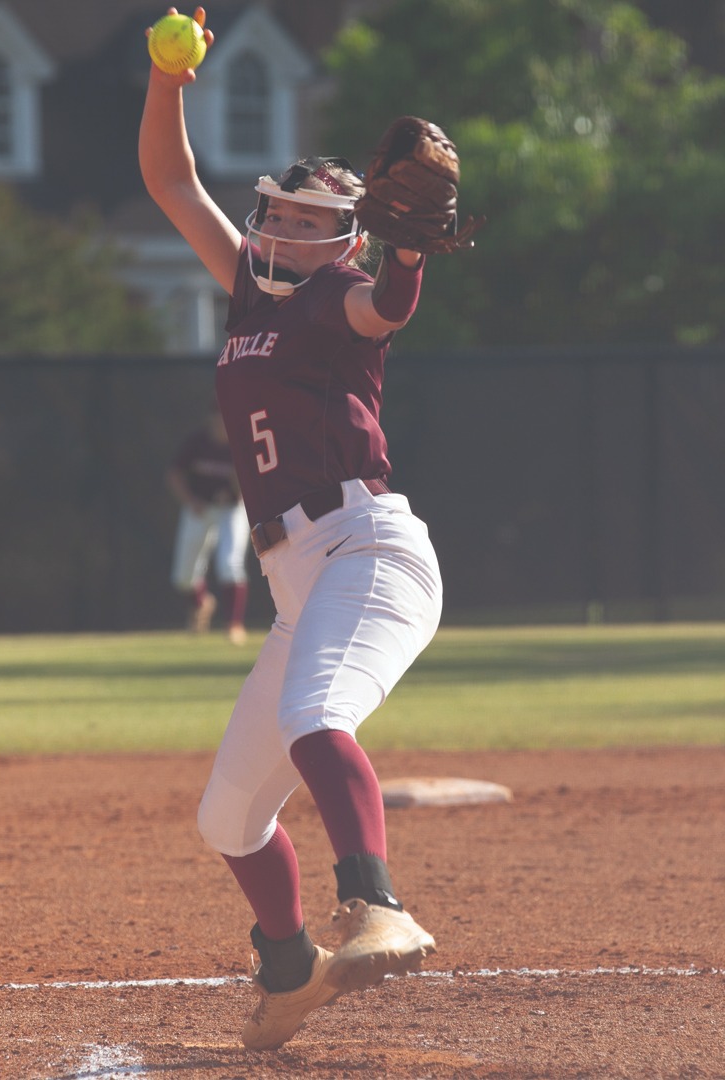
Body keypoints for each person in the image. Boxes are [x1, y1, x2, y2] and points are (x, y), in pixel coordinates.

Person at [140, 7, 444, 1051]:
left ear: (346, 236)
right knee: (228, 819)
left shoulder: (343, 293)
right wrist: (166, 78)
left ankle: (379, 904)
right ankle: (290, 969)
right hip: (298, 576)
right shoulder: (249, 290)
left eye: (307, 219)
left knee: (319, 718)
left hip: (368, 551)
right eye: (278, 212)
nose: (280, 228)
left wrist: (405, 250)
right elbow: (172, 183)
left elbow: (390, 308)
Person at [167, 410, 249, 645]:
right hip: (200, 508)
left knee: (230, 563)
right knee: (184, 576)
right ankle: (201, 602)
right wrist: (190, 500)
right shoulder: (197, 442)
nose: (222, 423)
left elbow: (248, 486)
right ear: (211, 418)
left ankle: (234, 625)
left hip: (231, 509)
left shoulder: (240, 444)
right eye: (218, 417)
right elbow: (174, 474)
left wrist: (236, 486)